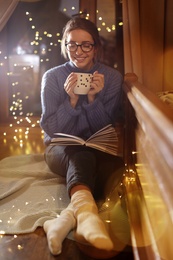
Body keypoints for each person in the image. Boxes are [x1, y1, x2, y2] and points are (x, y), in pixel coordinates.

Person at [40, 17, 124, 255]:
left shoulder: (112, 78)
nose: (79, 51)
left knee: (113, 171)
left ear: (95, 47)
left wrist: (92, 100)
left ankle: (63, 220)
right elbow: (52, 129)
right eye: (72, 44)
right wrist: (72, 101)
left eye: (86, 44)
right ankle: (87, 217)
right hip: (60, 149)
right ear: (65, 46)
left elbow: (105, 127)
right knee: (83, 157)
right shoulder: (53, 77)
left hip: (98, 147)